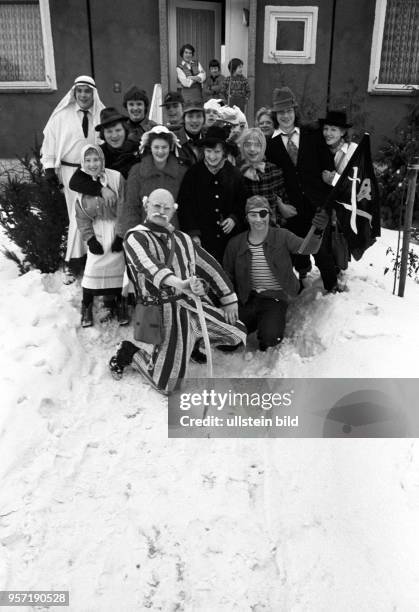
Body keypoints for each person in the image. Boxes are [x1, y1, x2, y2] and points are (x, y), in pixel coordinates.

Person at [108, 189, 246, 394]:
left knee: (237, 332)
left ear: (173, 211)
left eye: (166, 208)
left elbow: (210, 267)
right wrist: (180, 283)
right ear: (146, 205)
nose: (161, 211)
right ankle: (129, 352)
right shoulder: (135, 237)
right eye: (156, 206)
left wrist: (228, 298)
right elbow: (150, 266)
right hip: (164, 311)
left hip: (191, 304)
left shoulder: (183, 239)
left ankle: (191, 342)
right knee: (168, 385)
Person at [223, 196, 329, 350]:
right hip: (247, 298)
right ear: (246, 217)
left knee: (271, 338)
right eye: (253, 214)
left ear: (269, 215)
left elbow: (307, 248)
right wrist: (228, 301)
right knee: (226, 342)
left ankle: (267, 322)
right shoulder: (235, 244)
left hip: (274, 298)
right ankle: (250, 323)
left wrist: (318, 230)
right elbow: (226, 276)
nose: (258, 219)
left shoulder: (282, 236)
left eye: (263, 214)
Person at [266, 87, 337, 292]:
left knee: (322, 251)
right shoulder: (271, 145)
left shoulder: (312, 135)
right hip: (292, 209)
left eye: (288, 111)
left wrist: (326, 203)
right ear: (275, 115)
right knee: (296, 251)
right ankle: (296, 286)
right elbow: (270, 178)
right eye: (280, 113)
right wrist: (280, 204)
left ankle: (332, 290)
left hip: (317, 206)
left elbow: (327, 166)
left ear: (294, 111)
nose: (285, 116)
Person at [41, 75, 105, 283]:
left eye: (88, 91)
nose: (84, 95)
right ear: (74, 93)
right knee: (77, 215)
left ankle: (91, 260)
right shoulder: (61, 116)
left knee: (94, 215)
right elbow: (50, 142)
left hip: (95, 171)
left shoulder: (101, 115)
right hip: (70, 173)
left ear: (93, 93)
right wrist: (49, 167)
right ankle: (73, 262)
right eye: (80, 91)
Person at [73, 145, 127, 327]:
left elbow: (124, 206)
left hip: (115, 228)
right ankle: (86, 305)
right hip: (96, 231)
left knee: (118, 267)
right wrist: (90, 239)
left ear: (102, 160)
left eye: (96, 159)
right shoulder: (82, 185)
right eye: (87, 160)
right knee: (92, 269)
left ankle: (119, 302)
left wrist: (120, 235)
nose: (92, 164)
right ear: (82, 163)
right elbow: (81, 217)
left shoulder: (116, 177)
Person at [178, 125, 247, 263]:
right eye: (209, 151)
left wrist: (234, 218)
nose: (212, 156)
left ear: (224, 152)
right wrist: (193, 233)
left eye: (217, 152)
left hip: (228, 241)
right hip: (202, 240)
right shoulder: (193, 173)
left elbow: (242, 201)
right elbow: (185, 206)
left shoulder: (234, 174)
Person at [118, 126, 186, 237]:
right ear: (150, 147)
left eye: (164, 147)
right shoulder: (137, 171)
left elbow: (185, 208)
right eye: (156, 147)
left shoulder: (181, 172)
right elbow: (131, 206)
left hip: (173, 233)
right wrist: (132, 234)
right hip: (145, 233)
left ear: (170, 148)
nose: (160, 151)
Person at [238, 128, 288, 225]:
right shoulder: (236, 172)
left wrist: (277, 221)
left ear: (263, 147)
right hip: (246, 229)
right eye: (248, 144)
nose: (252, 149)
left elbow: (283, 200)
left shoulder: (274, 170)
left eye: (257, 145)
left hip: (271, 227)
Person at [319, 110, 357, 186]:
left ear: (342, 132)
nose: (328, 133)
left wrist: (333, 179)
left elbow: (358, 181)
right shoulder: (323, 150)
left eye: (333, 129)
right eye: (326, 128)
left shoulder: (353, 150)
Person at [176, 102, 206, 167]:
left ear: (204, 120)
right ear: (184, 119)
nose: (195, 120)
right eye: (190, 116)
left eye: (198, 116)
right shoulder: (174, 141)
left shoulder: (209, 140)